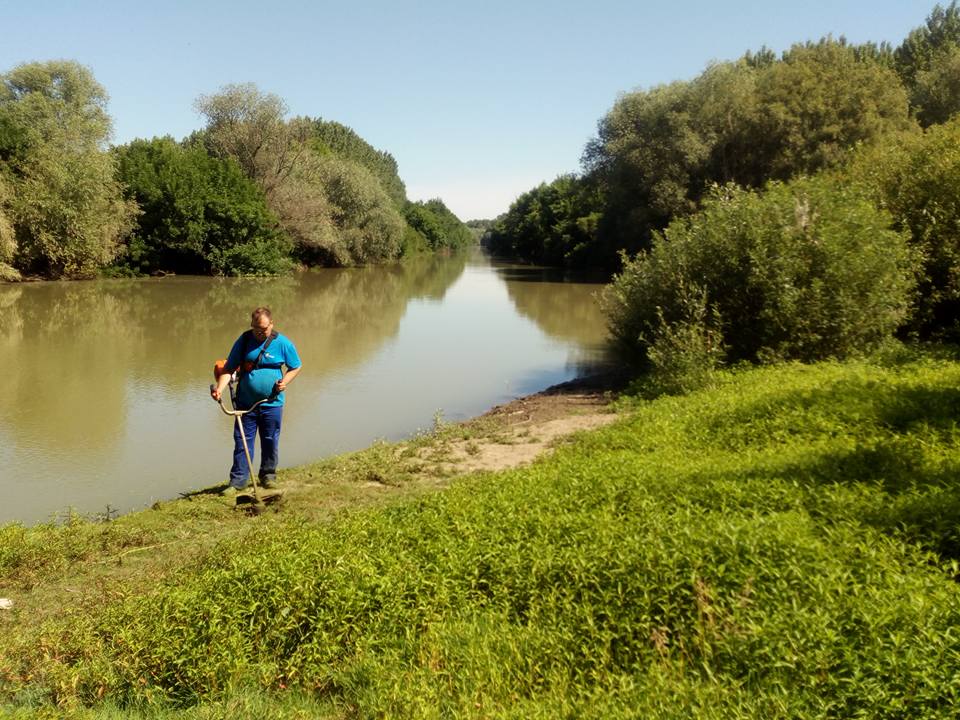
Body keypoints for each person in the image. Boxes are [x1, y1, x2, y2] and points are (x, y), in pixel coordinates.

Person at [211, 307, 302, 494]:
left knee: (270, 439)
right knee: (242, 440)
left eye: (264, 329)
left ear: (272, 324)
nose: (260, 333)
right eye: (256, 329)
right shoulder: (244, 341)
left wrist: (284, 382)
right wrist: (219, 389)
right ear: (252, 326)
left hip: (272, 402)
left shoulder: (283, 343)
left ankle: (268, 475)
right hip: (245, 404)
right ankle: (238, 482)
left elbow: (295, 366)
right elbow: (228, 369)